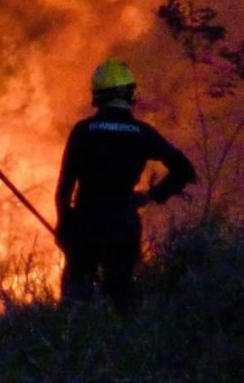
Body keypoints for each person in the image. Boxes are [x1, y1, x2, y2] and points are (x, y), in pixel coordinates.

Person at [54, 59, 196, 314]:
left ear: (97, 94)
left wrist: (65, 225)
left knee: (76, 304)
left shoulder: (83, 131)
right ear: (130, 93)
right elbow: (183, 170)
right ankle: (119, 348)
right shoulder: (141, 132)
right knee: (119, 301)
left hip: (86, 223)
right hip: (123, 225)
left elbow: (64, 187)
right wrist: (152, 196)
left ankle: (73, 350)